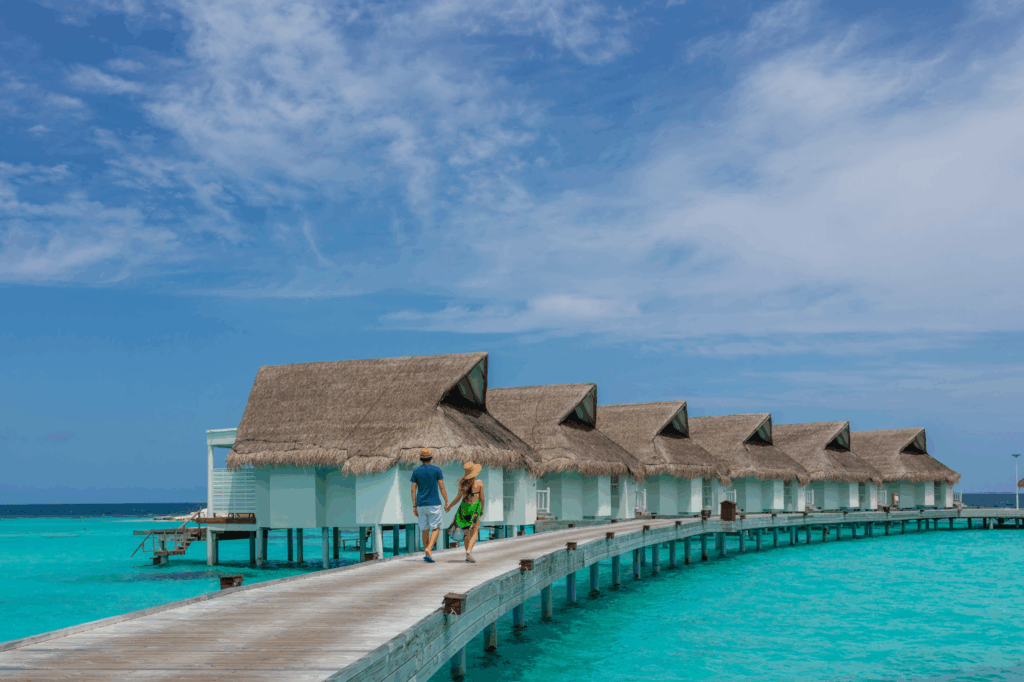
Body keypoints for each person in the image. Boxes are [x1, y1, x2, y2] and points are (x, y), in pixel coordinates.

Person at [410, 448, 448, 563]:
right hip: (434, 503)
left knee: (424, 529)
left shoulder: (416, 471)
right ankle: (429, 548)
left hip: (421, 504)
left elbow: (413, 489)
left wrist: (414, 506)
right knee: (436, 528)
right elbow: (441, 486)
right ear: (431, 458)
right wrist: (446, 501)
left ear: (420, 459)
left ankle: (428, 553)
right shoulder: (437, 470)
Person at [445, 461, 484, 563]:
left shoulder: (462, 483)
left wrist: (449, 506)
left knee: (466, 533)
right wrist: (482, 509)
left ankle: (467, 554)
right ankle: (469, 552)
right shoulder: (479, 483)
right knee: (474, 531)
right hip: (475, 508)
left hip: (464, 509)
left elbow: (458, 498)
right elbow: (482, 498)